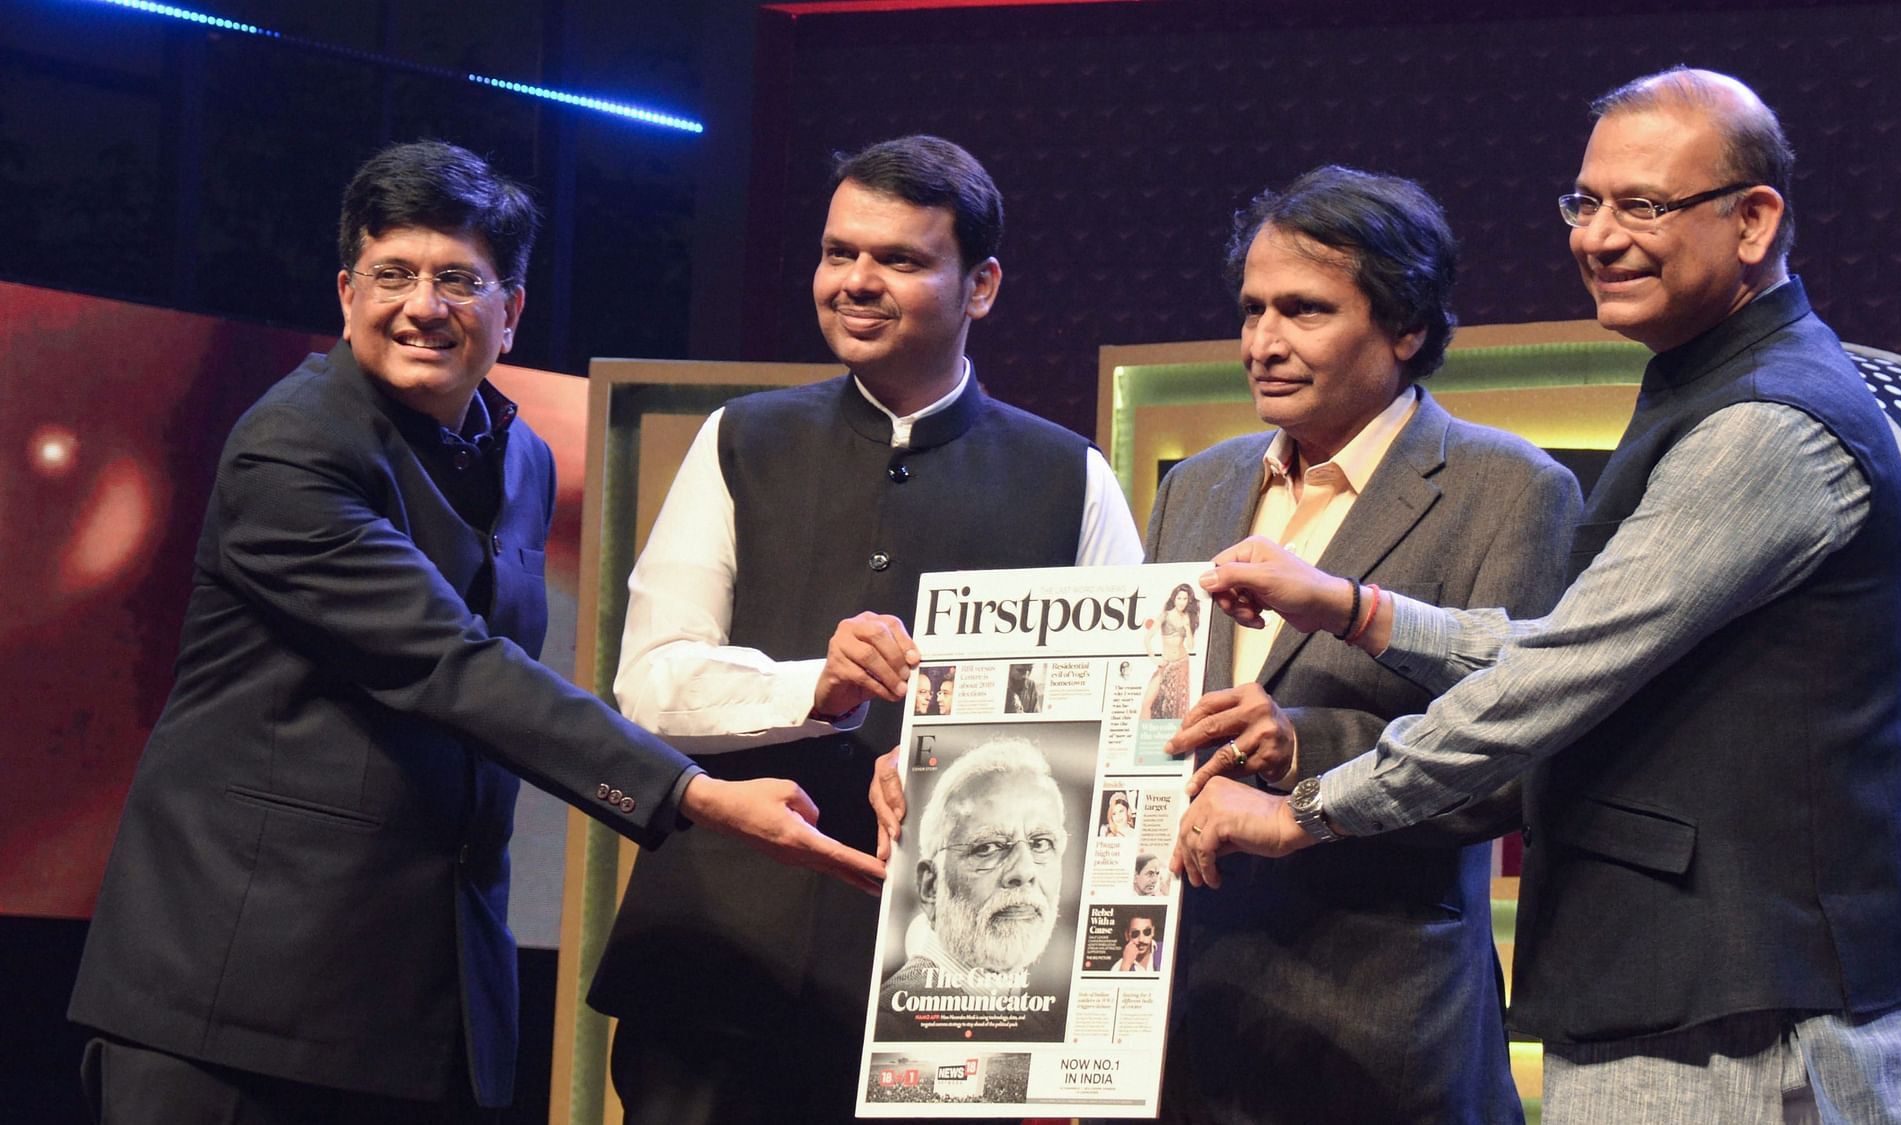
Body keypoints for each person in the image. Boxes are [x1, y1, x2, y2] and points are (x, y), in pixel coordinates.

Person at [1178, 69, 1901, 1123]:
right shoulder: (1706, 384)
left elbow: (1557, 675)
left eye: (1641, 204)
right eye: (1582, 203)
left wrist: (1303, 813)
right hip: (1678, 994)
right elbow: (1563, 642)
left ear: (1752, 219)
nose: (1596, 236)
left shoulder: (1765, 426)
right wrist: (1356, 608)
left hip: (1744, 1013)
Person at [64, 141, 883, 1124]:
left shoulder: (524, 458)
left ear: (512, 310)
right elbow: (451, 666)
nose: (422, 305)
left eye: (458, 279)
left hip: (415, 1004)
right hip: (233, 1001)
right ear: (345, 291)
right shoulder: (292, 451)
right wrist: (696, 794)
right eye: (392, 274)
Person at [591, 135, 1142, 1124]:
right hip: (720, 959)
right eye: (838, 252)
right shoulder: (740, 437)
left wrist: (958, 759)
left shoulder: (1070, 477)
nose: (856, 281)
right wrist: (814, 686)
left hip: (953, 989)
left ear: (979, 285)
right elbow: (650, 681)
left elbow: (1115, 729)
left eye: (897, 259)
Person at [1146, 163, 1581, 1123]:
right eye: (1253, 309)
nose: (1263, 342)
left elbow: (1516, 770)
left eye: (1304, 310)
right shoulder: (1198, 485)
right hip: (1194, 1019)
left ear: (1407, 325)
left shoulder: (1511, 489)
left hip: (1384, 1026)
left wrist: (1306, 745)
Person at [874, 738, 1070, 1041]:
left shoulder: (1037, 1023)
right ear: (930, 886)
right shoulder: (891, 1024)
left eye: (1041, 843)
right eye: (988, 847)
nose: (1024, 871)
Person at [1138, 583, 1199, 719]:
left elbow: (1190, 646)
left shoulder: (1188, 617)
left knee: (1175, 710)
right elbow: (1147, 638)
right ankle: (1143, 737)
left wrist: (1188, 628)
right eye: (1179, 598)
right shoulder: (1165, 616)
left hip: (1182, 665)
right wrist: (1154, 658)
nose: (1182, 602)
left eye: (1185, 599)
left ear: (1189, 600)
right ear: (1174, 599)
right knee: (1147, 702)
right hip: (1166, 664)